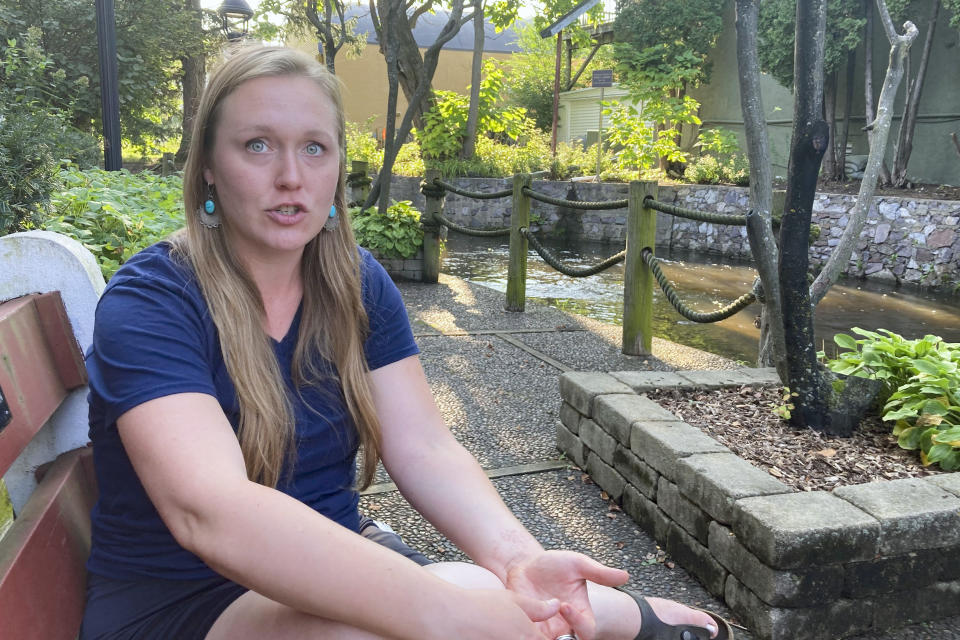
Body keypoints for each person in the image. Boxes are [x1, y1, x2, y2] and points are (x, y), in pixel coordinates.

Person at [80, 45, 731, 640]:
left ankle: (610, 614)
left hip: (338, 570)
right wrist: (454, 618)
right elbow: (211, 512)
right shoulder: (154, 301)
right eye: (256, 145)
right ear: (209, 171)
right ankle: (627, 618)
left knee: (491, 595)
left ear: (337, 169)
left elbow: (423, 446)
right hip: (184, 603)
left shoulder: (356, 284)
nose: (290, 176)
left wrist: (517, 559)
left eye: (314, 148)